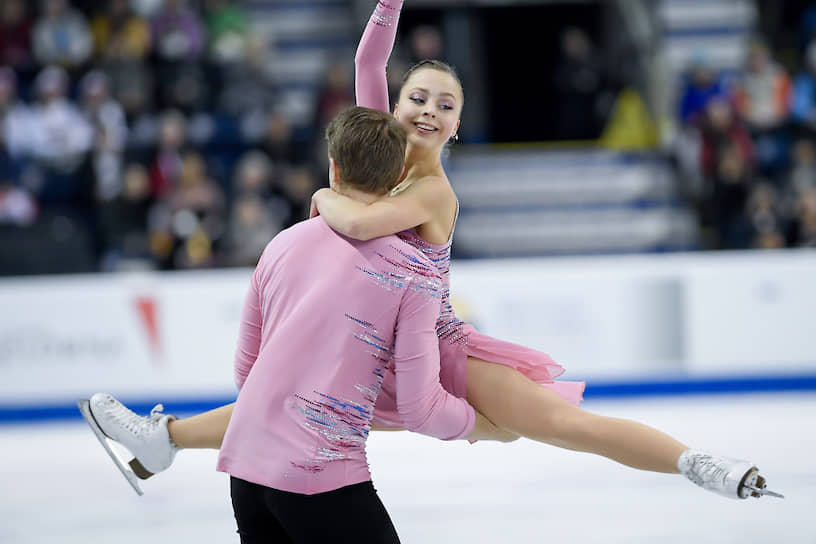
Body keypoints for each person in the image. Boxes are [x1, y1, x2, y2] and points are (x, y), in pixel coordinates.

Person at [85, 0, 780, 501]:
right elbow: (368, 58)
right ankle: (161, 440)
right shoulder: (376, 148)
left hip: (436, 356)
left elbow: (357, 225)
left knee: (564, 425)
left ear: (455, 128)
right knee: (279, 401)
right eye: (417, 96)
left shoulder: (433, 193)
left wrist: (325, 200)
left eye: (444, 106)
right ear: (393, 106)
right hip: (366, 344)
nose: (427, 109)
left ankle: (699, 465)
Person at [83, 106, 513, 542]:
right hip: (321, 476)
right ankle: (166, 437)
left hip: (248, 477)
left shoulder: (282, 243)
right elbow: (422, 409)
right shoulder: (414, 273)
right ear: (399, 176)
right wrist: (491, 427)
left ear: (334, 166)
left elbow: (247, 378)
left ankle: (164, 438)